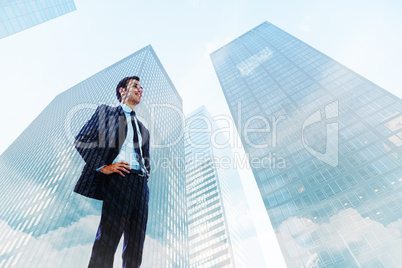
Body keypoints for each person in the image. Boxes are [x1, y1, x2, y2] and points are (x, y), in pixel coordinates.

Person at [73, 76, 151, 267]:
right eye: (135, 86)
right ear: (122, 91)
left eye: (141, 87)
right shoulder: (106, 112)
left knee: (135, 247)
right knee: (107, 240)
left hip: (140, 187)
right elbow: (81, 139)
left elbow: (146, 157)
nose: (140, 89)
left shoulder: (143, 129)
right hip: (119, 179)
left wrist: (146, 172)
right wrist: (103, 167)